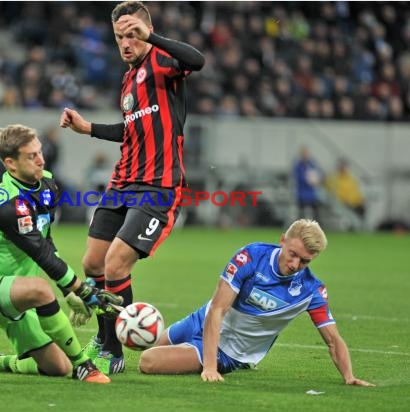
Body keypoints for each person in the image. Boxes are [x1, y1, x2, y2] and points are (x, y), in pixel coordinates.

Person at [59, 1, 205, 374]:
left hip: (158, 186)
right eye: (119, 37)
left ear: (145, 31)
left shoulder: (162, 61)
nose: (126, 42)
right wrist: (88, 128)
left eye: (132, 34)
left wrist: (151, 37)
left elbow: (198, 60)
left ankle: (113, 349)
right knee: (92, 263)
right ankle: (105, 337)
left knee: (115, 262)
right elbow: (131, 131)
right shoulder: (127, 81)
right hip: (122, 182)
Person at [0, 124, 123, 384]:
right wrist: (81, 290)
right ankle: (84, 367)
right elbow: (40, 252)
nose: (41, 159)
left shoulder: (47, 185)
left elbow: (46, 240)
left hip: (21, 295)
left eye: (40, 151)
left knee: (58, 367)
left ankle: (2, 362)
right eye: (31, 156)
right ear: (11, 164)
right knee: (40, 290)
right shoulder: (10, 205)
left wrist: (70, 290)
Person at [139, 219, 375, 387]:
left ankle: (217, 360)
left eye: (304, 261)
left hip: (228, 351)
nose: (295, 264)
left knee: (148, 361)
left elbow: (333, 340)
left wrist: (348, 376)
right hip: (203, 320)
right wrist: (208, 368)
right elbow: (218, 309)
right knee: (148, 344)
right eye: (292, 253)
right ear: (283, 240)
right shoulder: (251, 256)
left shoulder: (311, 290)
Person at [293, 146, 324, 221]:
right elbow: (298, 178)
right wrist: (308, 180)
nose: (306, 155)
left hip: (312, 194)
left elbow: (319, 175)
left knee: (316, 214)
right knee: (301, 215)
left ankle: (317, 229)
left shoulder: (312, 164)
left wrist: (317, 180)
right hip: (301, 194)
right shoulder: (298, 166)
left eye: (307, 153)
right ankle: (299, 230)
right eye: (304, 154)